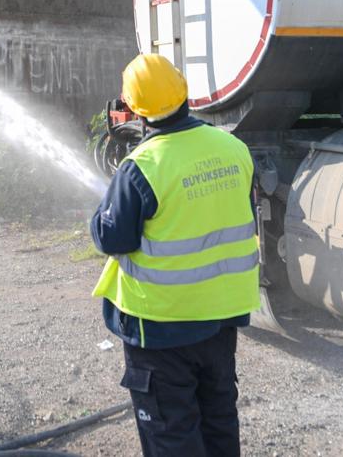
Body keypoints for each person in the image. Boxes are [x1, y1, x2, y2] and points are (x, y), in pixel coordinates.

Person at [90, 54, 260, 457]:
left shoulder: (141, 168)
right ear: (184, 91)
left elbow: (112, 238)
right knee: (219, 419)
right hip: (221, 319)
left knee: (171, 433)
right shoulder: (234, 148)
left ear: (134, 108)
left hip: (161, 327)